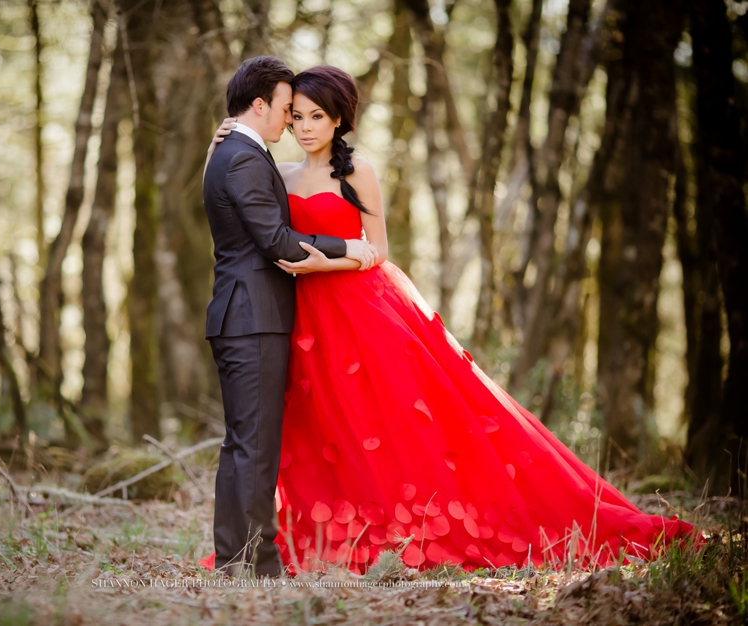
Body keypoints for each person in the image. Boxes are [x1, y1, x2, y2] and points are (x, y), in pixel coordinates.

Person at [201, 64, 701, 576]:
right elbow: (256, 218)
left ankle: (410, 527)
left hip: (359, 308)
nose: (303, 127)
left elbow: (378, 250)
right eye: (296, 116)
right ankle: (316, 533)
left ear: (338, 121)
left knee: (390, 424)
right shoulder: (274, 172)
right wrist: (227, 140)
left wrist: (328, 259)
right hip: (303, 317)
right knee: (321, 430)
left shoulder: (357, 173)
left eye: (316, 117)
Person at [201, 56, 378, 578]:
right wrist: (350, 246)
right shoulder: (244, 159)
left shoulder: (230, 153)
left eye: (307, 114)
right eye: (287, 110)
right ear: (261, 106)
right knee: (254, 447)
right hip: (252, 316)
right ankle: (259, 565)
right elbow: (277, 242)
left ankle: (237, 560)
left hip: (252, 314)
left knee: (243, 443)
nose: (292, 122)